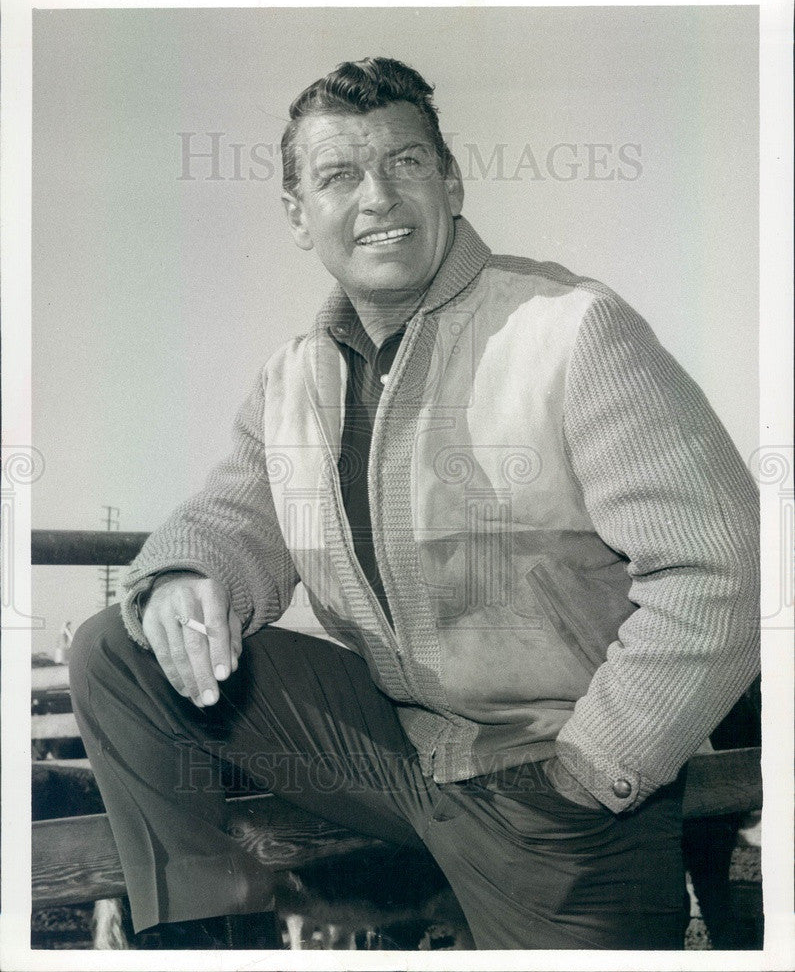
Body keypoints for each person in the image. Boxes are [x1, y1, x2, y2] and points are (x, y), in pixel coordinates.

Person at [71, 57, 760, 950]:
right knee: (115, 649)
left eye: (404, 164)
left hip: (558, 790)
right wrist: (183, 574)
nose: (377, 199)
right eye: (338, 176)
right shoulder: (292, 379)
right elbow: (235, 516)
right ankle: (203, 941)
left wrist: (597, 769)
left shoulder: (570, 330)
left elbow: (729, 563)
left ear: (450, 181)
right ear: (297, 215)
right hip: (391, 753)